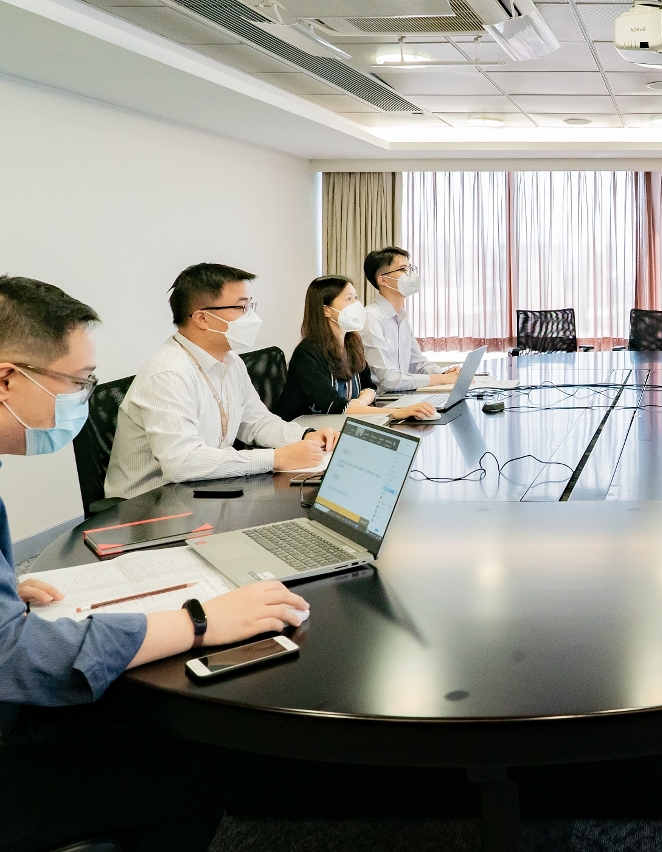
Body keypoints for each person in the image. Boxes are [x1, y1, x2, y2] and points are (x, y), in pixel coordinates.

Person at [0, 275, 311, 852]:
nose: (85, 395)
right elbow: (12, 658)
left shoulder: (228, 364)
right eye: (79, 382)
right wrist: (200, 620)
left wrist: (5, 588)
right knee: (192, 764)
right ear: (7, 380)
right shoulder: (171, 370)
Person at [104, 263, 339, 500]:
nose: (250, 316)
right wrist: (276, 458)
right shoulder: (169, 374)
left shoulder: (231, 361)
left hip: (200, 491)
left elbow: (256, 422)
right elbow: (182, 462)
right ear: (202, 318)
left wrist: (305, 436)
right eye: (240, 307)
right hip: (147, 507)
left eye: (250, 306)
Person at [276, 276, 438, 422]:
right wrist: (397, 412)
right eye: (348, 299)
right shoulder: (306, 354)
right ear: (326, 310)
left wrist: (360, 402)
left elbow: (369, 386)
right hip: (304, 431)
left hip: (340, 422)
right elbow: (333, 405)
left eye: (355, 298)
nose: (356, 305)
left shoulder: (351, 342)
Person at [361, 246, 461, 392]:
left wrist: (446, 373)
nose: (410, 274)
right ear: (383, 280)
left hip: (403, 395)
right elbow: (390, 380)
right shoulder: (370, 318)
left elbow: (417, 364)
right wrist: (442, 379)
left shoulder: (401, 317)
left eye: (410, 268)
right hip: (382, 400)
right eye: (403, 269)